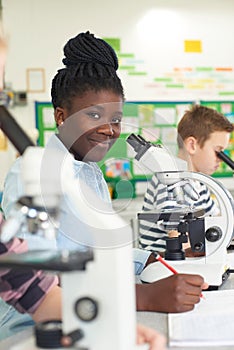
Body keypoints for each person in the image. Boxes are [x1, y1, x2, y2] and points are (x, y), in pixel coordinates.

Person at [1, 31, 207, 324]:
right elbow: (39, 281)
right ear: (61, 116)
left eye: (116, 119)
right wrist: (142, 297)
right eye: (94, 116)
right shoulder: (30, 175)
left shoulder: (90, 172)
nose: (110, 130)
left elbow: (96, 249)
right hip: (34, 329)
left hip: (90, 317)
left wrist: (149, 260)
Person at [139, 104, 234, 253]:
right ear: (192, 145)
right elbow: (178, 239)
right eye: (218, 151)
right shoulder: (169, 179)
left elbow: (219, 219)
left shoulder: (199, 183)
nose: (221, 159)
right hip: (163, 267)